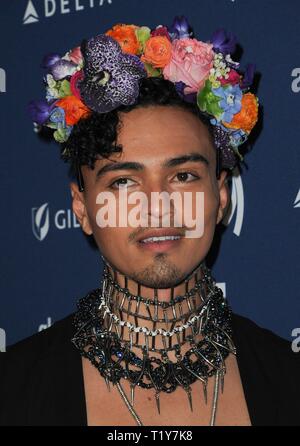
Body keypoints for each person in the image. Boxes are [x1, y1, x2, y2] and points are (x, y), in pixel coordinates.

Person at [0, 16, 299, 427]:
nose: (157, 206)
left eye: (183, 176)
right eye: (123, 181)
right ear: (82, 209)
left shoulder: (287, 379)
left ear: (221, 196)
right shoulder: (14, 389)